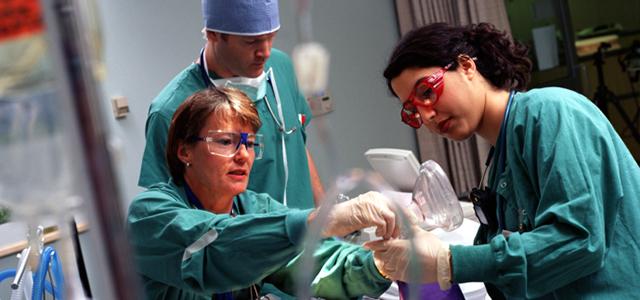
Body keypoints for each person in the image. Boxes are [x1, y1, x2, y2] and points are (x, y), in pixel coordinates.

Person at [365, 22, 640, 299]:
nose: (427, 116)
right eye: (413, 111)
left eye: (427, 92)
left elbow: (578, 240)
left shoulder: (550, 112)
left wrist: (448, 261)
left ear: (466, 66)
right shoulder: (501, 157)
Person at [128, 87, 396, 299]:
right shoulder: (149, 214)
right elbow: (218, 249)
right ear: (184, 151)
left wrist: (384, 263)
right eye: (225, 142)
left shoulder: (254, 207)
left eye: (251, 143)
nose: (243, 155)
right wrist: (320, 220)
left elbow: (319, 264)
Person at [139, 0, 323, 209]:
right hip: (241, 239)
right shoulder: (169, 112)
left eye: (271, 37)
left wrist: (328, 220)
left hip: (307, 232)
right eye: (251, 42)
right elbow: (166, 211)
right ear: (213, 34)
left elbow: (297, 146)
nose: (265, 52)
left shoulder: (281, 68)